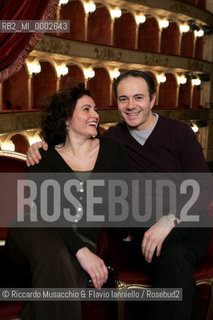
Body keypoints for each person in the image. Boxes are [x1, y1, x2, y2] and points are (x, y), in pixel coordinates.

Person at [25, 70, 211, 320]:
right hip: (143, 228)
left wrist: (169, 219)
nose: (131, 105)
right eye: (123, 99)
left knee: (174, 254)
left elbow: (203, 185)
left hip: (186, 220)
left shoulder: (179, 132)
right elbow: (71, 139)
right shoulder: (112, 139)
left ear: (153, 99)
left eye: (138, 97)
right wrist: (39, 144)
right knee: (172, 263)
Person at [5, 84, 129, 320]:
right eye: (86, 109)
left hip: (77, 246)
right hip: (34, 233)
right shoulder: (44, 155)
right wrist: (82, 252)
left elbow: (119, 207)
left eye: (95, 109)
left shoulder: (114, 152)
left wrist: (128, 236)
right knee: (55, 252)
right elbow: (47, 212)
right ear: (66, 119)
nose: (95, 115)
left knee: (63, 278)